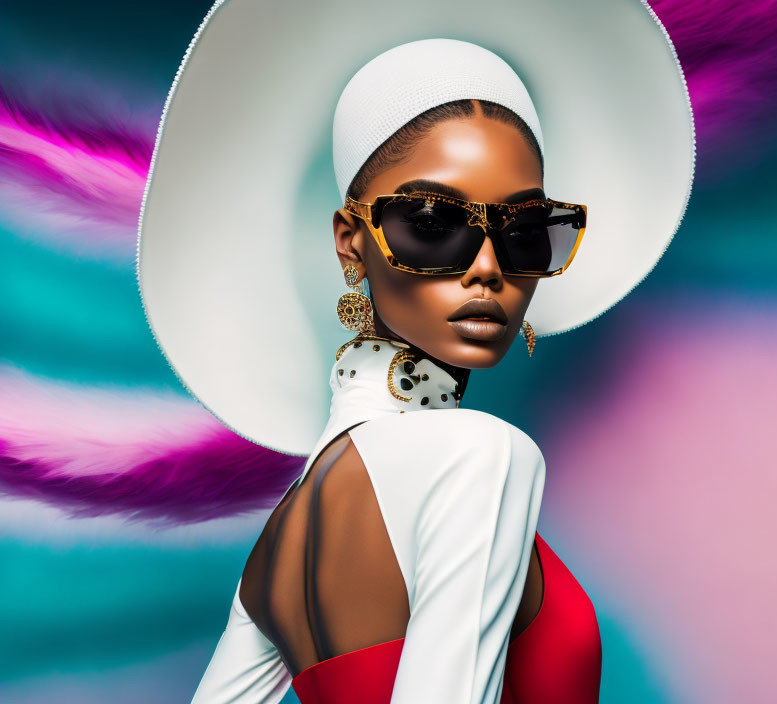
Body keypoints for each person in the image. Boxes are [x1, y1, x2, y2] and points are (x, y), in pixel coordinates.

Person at [136, 3, 694, 702]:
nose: (489, 267)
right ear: (351, 241)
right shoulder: (481, 458)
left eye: (525, 231)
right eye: (432, 222)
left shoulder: (288, 527)